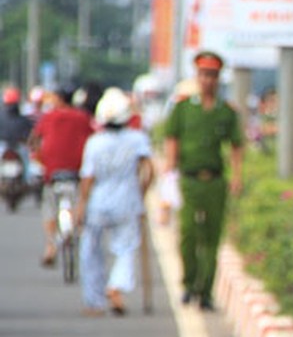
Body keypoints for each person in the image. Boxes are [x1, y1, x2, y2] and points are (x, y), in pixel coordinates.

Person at [162, 51, 244, 310]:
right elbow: (171, 138)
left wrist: (237, 176)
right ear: (197, 76)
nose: (208, 80)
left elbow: (236, 146)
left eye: (212, 75)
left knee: (212, 237)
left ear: (218, 79)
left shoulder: (226, 111)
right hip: (188, 180)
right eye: (203, 74)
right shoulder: (184, 108)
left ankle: (206, 291)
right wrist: (170, 169)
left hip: (215, 182)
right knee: (187, 234)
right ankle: (188, 283)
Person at [75, 88, 154, 317]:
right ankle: (116, 286)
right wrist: (142, 192)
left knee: (90, 250)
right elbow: (149, 170)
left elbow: (88, 178)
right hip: (127, 200)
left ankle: (94, 301)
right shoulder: (137, 138)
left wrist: (81, 204)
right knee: (126, 248)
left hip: (98, 202)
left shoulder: (94, 143)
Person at [30, 88, 94, 266]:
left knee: (49, 206)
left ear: (58, 99)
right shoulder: (83, 117)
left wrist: (39, 158)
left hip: (53, 172)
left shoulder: (49, 117)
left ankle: (50, 246)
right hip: (77, 171)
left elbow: (34, 140)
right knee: (80, 204)